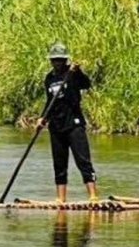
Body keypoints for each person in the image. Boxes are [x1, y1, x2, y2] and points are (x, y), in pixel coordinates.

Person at [38, 43, 98, 205]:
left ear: (65, 60)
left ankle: (92, 195)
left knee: (83, 160)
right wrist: (43, 118)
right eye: (54, 60)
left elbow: (86, 84)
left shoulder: (72, 74)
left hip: (74, 124)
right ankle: (61, 198)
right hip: (56, 126)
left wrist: (77, 72)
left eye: (60, 60)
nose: (57, 63)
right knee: (59, 162)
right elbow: (49, 101)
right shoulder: (49, 78)